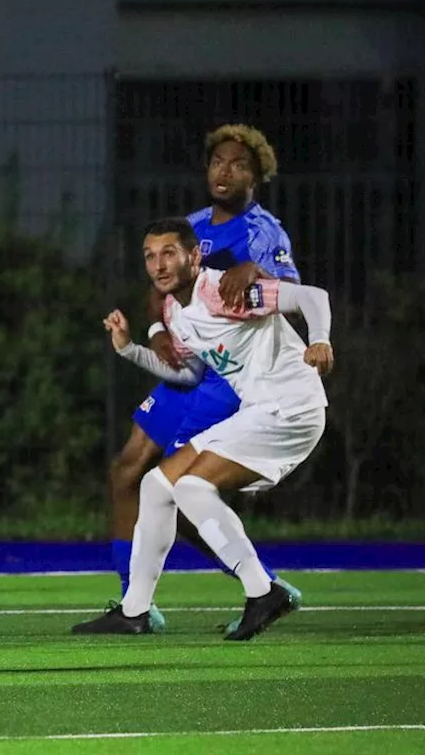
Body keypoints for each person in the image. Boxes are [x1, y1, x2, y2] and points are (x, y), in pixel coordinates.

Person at [74, 217, 333, 640]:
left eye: (169, 253)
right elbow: (188, 373)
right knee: (156, 485)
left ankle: (263, 591)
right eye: (150, 256)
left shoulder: (223, 292)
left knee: (191, 488)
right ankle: (134, 611)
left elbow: (312, 296)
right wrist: (129, 350)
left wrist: (320, 339)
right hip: (260, 410)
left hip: (292, 409)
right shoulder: (177, 311)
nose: (158, 265)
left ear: (194, 257)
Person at [107, 125, 303, 628]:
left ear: (257, 175)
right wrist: (155, 331)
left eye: (238, 164)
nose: (225, 171)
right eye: (218, 161)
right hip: (185, 366)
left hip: (224, 378)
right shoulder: (189, 227)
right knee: (128, 470)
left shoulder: (263, 232)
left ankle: (262, 584)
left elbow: (292, 296)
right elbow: (159, 288)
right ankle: (134, 602)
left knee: (178, 484)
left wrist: (257, 273)